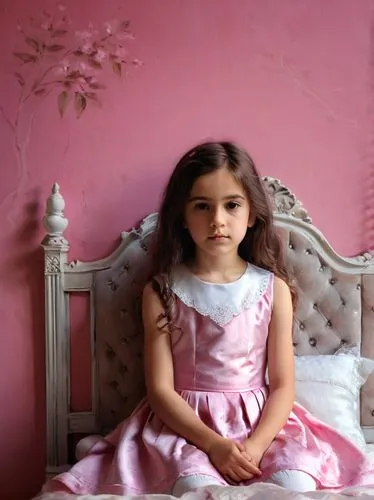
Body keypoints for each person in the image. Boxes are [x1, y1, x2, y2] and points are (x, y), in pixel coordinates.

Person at [45, 141, 374, 496]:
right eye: (202, 206)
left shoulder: (272, 288)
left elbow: (282, 385)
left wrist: (257, 446)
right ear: (183, 218)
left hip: (262, 425)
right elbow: (160, 390)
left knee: (295, 481)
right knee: (195, 486)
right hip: (186, 426)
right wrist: (214, 445)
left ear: (251, 215)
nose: (217, 220)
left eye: (232, 205)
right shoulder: (162, 291)